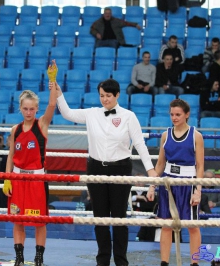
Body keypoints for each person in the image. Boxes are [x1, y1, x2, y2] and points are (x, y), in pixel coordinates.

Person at [53, 74, 158, 266]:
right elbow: (68, 113)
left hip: (121, 169)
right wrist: (59, 93)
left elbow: (140, 144)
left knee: (119, 217)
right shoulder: (92, 113)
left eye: (108, 95)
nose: (105, 99)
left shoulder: (129, 116)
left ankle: (121, 261)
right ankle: (102, 260)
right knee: (99, 216)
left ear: (117, 95)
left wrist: (150, 169)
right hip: (95, 168)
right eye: (102, 95)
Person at [2, 61, 58, 266]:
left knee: (39, 221)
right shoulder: (15, 129)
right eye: (25, 109)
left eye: (32, 109)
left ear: (36, 109)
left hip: (36, 178)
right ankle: (19, 258)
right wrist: (7, 179)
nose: (28, 112)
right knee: (17, 220)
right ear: (20, 108)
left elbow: (52, 105)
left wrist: (52, 80)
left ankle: (39, 258)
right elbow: (10, 155)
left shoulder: (41, 124)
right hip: (17, 179)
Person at [147, 99, 204, 266]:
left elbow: (200, 166)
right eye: (172, 114)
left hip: (188, 182)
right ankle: (164, 262)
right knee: (166, 224)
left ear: (186, 115)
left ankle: (195, 263)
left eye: (178, 114)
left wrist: (198, 191)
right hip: (167, 182)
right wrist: (152, 186)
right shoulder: (166, 135)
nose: (174, 117)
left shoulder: (196, 136)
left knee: (192, 226)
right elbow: (159, 164)